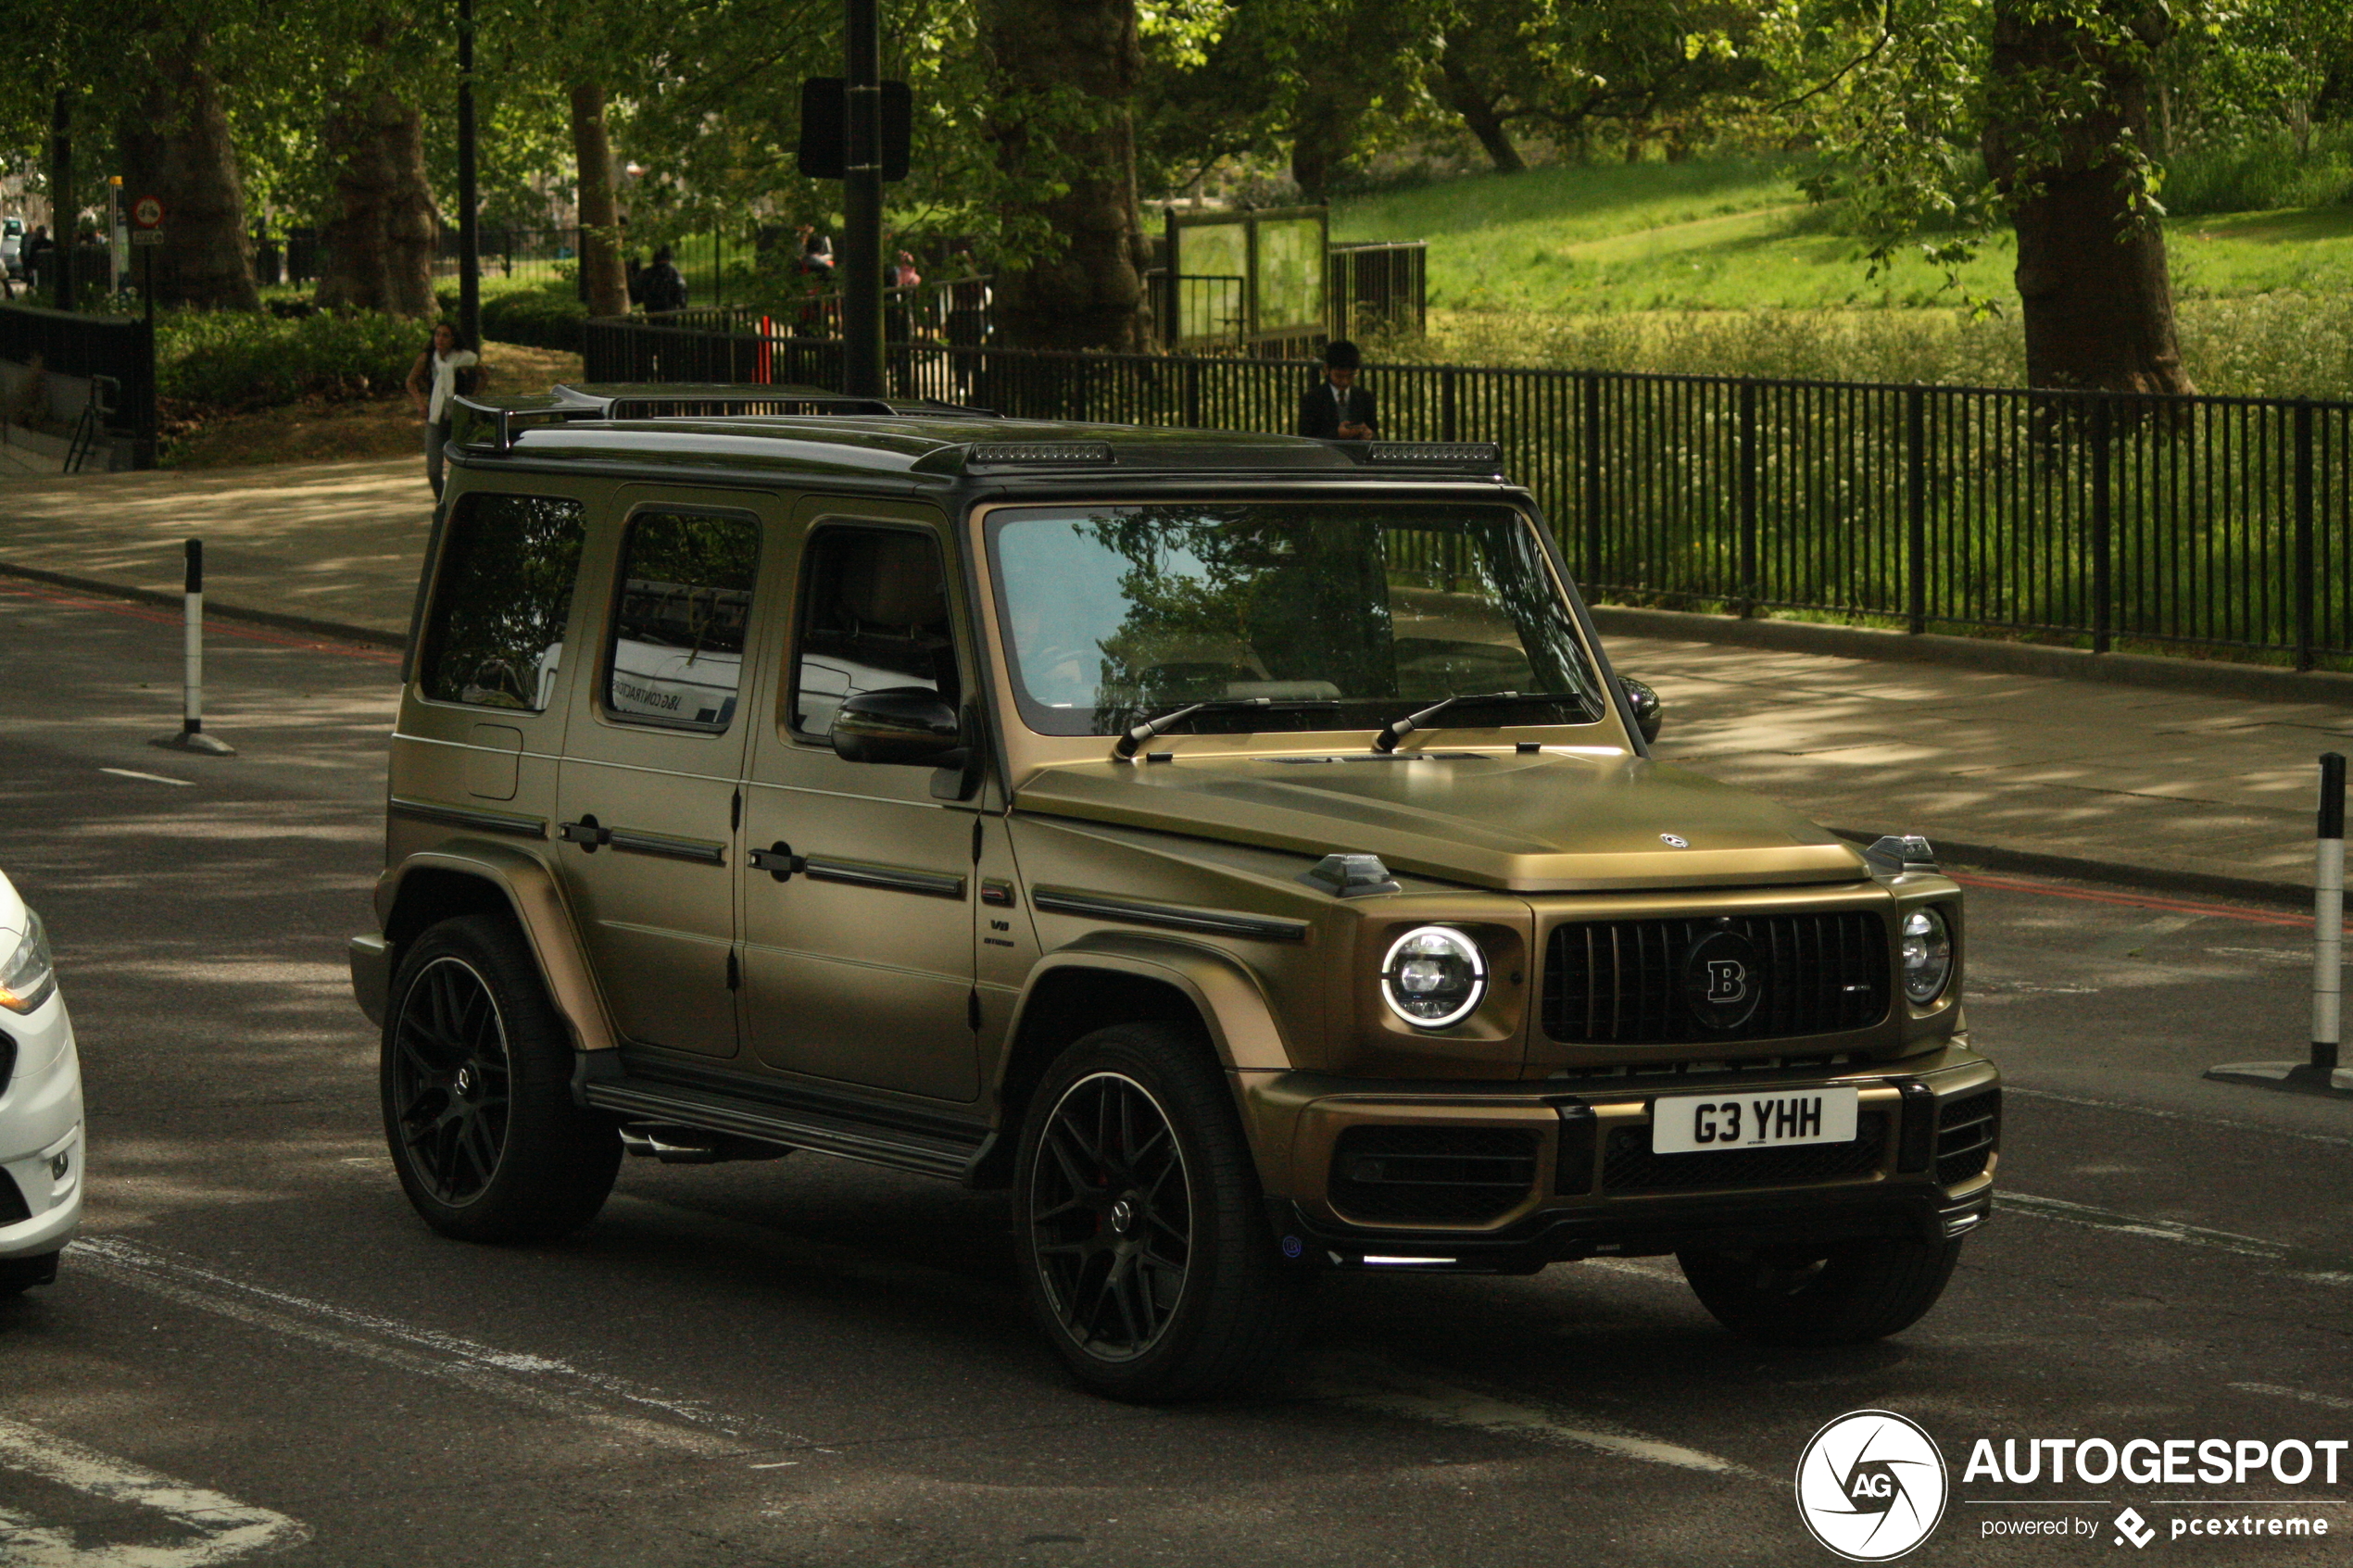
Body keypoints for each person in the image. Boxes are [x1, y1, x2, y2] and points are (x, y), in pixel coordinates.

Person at [406, 322, 480, 501]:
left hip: (459, 416)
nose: (440, 339)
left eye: (445, 335)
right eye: (437, 335)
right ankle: (443, 503)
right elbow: (410, 381)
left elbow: (484, 375)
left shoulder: (464, 358)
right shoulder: (428, 359)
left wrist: (473, 398)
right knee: (433, 470)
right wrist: (420, 404)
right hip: (436, 416)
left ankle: (460, 503)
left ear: (453, 339)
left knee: (463, 466)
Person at [1298, 338, 1378, 440]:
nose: (1344, 382)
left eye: (1350, 376)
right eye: (1339, 376)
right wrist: (1336, 435)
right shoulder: (1312, 399)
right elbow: (1306, 438)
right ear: (1327, 369)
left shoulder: (1365, 398)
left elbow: (1375, 435)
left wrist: (1370, 435)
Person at [639, 245, 687, 313]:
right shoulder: (672, 272)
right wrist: (682, 304)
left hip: (651, 308)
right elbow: (681, 287)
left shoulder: (646, 273)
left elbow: (639, 290)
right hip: (668, 307)